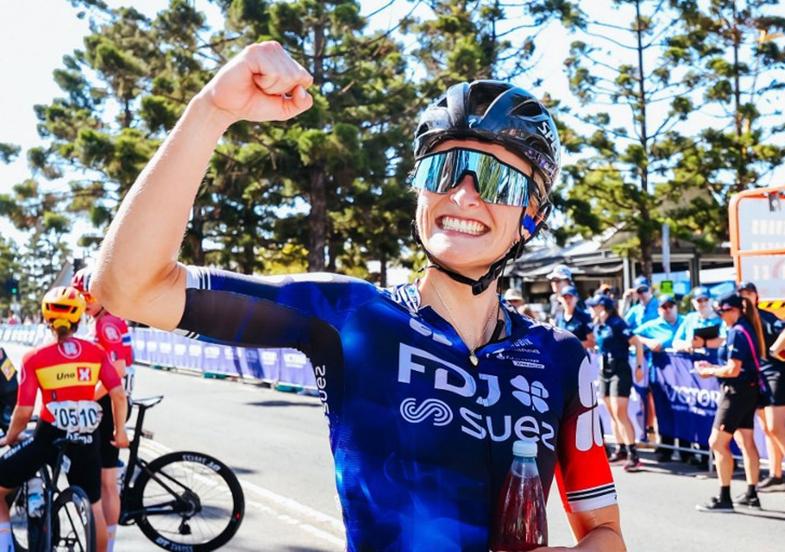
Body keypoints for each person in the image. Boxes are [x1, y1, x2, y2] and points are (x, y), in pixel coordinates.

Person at [91, 43, 624, 550]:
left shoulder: (560, 359)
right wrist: (211, 110)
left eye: (496, 178)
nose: (463, 194)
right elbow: (129, 287)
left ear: (533, 216)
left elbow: (605, 534)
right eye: (443, 169)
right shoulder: (352, 318)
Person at [0, 287, 128, 551]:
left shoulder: (36, 357)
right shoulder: (95, 352)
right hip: (86, 439)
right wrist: (120, 431)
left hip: (48, 438)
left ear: (46, 318)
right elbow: (118, 395)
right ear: (79, 318)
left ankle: (5, 547)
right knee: (94, 508)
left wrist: (11, 437)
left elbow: (23, 411)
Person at [72, 267, 135, 550]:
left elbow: (117, 371)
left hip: (109, 405)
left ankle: (106, 544)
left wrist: (86, 398)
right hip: (110, 403)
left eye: (87, 296)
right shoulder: (103, 319)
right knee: (103, 477)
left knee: (106, 481)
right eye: (80, 296)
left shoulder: (105, 323)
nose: (83, 302)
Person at [737, 282, 785, 499]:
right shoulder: (742, 321)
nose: (745, 298)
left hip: (776, 374)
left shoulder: (764, 316)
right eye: (741, 295)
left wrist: (774, 349)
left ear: (756, 296)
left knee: (776, 427)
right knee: (767, 428)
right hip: (758, 376)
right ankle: (776, 475)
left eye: (748, 294)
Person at [694, 292, 764, 512]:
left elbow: (733, 370)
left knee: (717, 443)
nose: (721, 316)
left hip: (736, 391)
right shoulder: (745, 328)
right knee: (746, 441)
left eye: (723, 312)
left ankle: (725, 497)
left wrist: (710, 371)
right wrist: (714, 367)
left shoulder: (738, 332)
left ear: (734, 310)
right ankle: (752, 493)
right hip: (747, 390)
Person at [587, 293, 644, 472]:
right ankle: (620, 448)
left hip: (620, 368)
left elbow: (637, 343)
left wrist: (639, 366)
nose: (591, 309)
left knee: (620, 411)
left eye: (594, 306)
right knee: (611, 411)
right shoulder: (599, 324)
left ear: (603, 307)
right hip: (604, 370)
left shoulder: (618, 323)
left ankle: (632, 453)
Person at [631, 294, 684, 462]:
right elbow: (632, 336)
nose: (667, 310)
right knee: (664, 411)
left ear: (675, 307)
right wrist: (648, 342)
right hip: (661, 375)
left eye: (670, 306)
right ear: (659, 309)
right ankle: (666, 447)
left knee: (684, 410)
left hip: (684, 376)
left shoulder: (685, 321)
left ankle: (686, 451)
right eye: (664, 307)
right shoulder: (652, 325)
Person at [673, 287, 724, 352]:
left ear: (711, 301)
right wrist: (687, 345)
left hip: (714, 360)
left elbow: (724, 340)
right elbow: (675, 342)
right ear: (693, 302)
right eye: (699, 301)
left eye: (706, 299)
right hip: (693, 359)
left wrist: (704, 343)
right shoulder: (690, 318)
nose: (703, 303)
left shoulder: (721, 319)